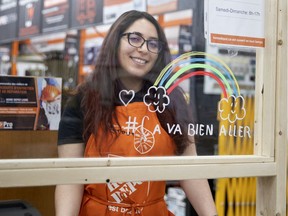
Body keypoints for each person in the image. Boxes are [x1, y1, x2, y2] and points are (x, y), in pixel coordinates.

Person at [55, 10, 218, 216]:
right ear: (115, 41)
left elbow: (190, 170)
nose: (143, 49)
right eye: (135, 39)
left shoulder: (172, 100)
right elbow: (70, 178)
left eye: (153, 44)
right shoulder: (84, 99)